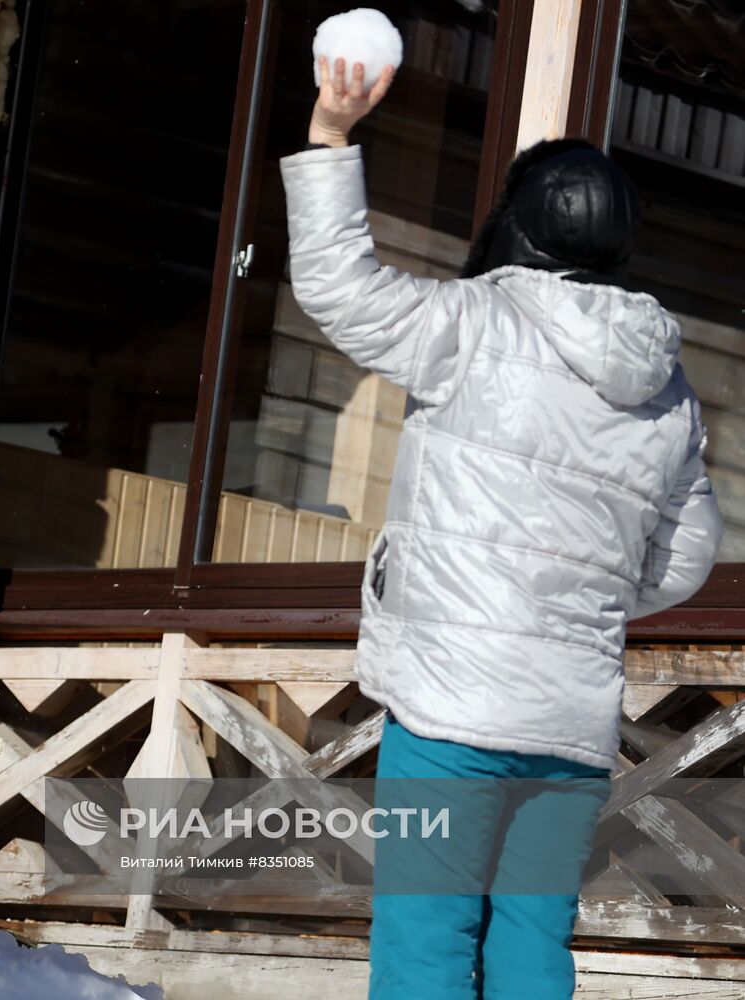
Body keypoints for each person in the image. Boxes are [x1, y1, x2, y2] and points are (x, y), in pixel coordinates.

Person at [280, 57, 723, 999]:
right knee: (530, 944)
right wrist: (584, 588)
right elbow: (685, 561)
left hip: (451, 711)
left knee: (425, 938)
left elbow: (335, 285)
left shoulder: (475, 324)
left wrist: (327, 137)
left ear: (515, 225)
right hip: (568, 723)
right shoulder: (668, 389)